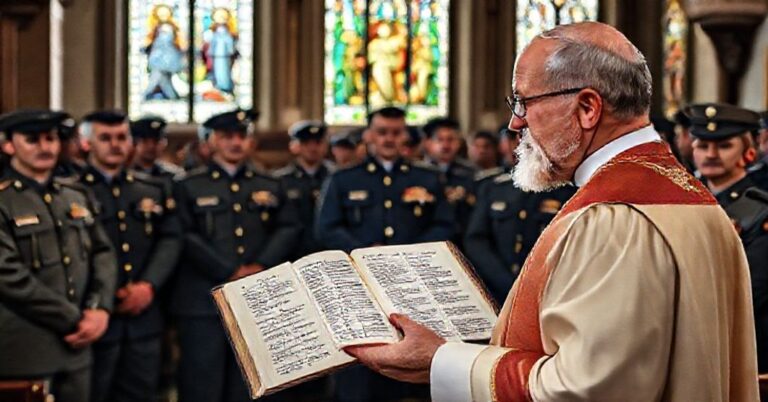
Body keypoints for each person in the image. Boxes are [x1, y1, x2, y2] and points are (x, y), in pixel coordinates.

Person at [345, 22, 758, 401]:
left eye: (524, 101)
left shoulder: (615, 217)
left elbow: (585, 389)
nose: (514, 122)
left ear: (587, 108)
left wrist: (440, 360)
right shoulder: (689, 196)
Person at [316, 106, 453, 402]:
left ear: (405, 135)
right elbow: (326, 228)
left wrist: (406, 255)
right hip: (358, 289)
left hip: (410, 285)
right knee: (359, 375)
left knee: (408, 373)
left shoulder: (427, 178)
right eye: (382, 132)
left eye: (395, 132)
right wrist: (362, 252)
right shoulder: (344, 180)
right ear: (367, 135)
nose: (389, 139)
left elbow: (444, 224)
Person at [172, 109, 301, 402]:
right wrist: (228, 270)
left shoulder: (269, 183)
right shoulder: (188, 185)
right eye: (227, 136)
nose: (235, 143)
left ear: (251, 142)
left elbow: (289, 227)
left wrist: (260, 265)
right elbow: (184, 235)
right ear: (210, 142)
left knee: (251, 385)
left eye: (242, 135)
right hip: (204, 302)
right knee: (201, 381)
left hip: (257, 299)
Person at [0, 109, 117, 402]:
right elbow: (8, 274)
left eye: (51, 139)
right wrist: (75, 319)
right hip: (26, 346)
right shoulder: (4, 199)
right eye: (32, 140)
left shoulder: (75, 194)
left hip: (78, 349)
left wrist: (100, 308)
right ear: (8, 145)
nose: (45, 147)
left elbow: (103, 252)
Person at [76, 110, 182, 402]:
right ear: (87, 144)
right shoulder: (72, 190)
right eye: (105, 138)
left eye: (121, 137)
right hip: (94, 317)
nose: (115, 145)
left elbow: (171, 240)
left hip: (144, 316)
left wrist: (148, 285)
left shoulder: (152, 188)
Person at [687, 103, 768, 373]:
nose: (711, 154)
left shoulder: (758, 208)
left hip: (742, 343)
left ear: (748, 151)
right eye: (702, 145)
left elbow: (753, 289)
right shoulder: (684, 202)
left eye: (724, 146)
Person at [465, 126, 574, 305]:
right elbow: (477, 239)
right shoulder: (494, 188)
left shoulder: (567, 191)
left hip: (547, 294)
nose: (521, 143)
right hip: (497, 291)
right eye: (516, 138)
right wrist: (504, 281)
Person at [274, 120, 335, 261]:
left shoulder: (335, 177)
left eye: (318, 143)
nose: (313, 148)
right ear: (295, 146)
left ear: (325, 146)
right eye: (306, 143)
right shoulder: (281, 180)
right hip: (292, 254)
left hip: (329, 253)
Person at [422, 117, 476, 248]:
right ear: (428, 143)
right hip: (425, 244)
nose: (446, 145)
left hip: (463, 244)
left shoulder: (472, 174)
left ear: (459, 143)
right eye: (439, 140)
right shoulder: (417, 174)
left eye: (451, 140)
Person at [130, 115, 184, 182]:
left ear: (164, 143)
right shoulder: (126, 173)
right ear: (135, 143)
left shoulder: (173, 176)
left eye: (156, 141)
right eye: (145, 141)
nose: (151, 146)